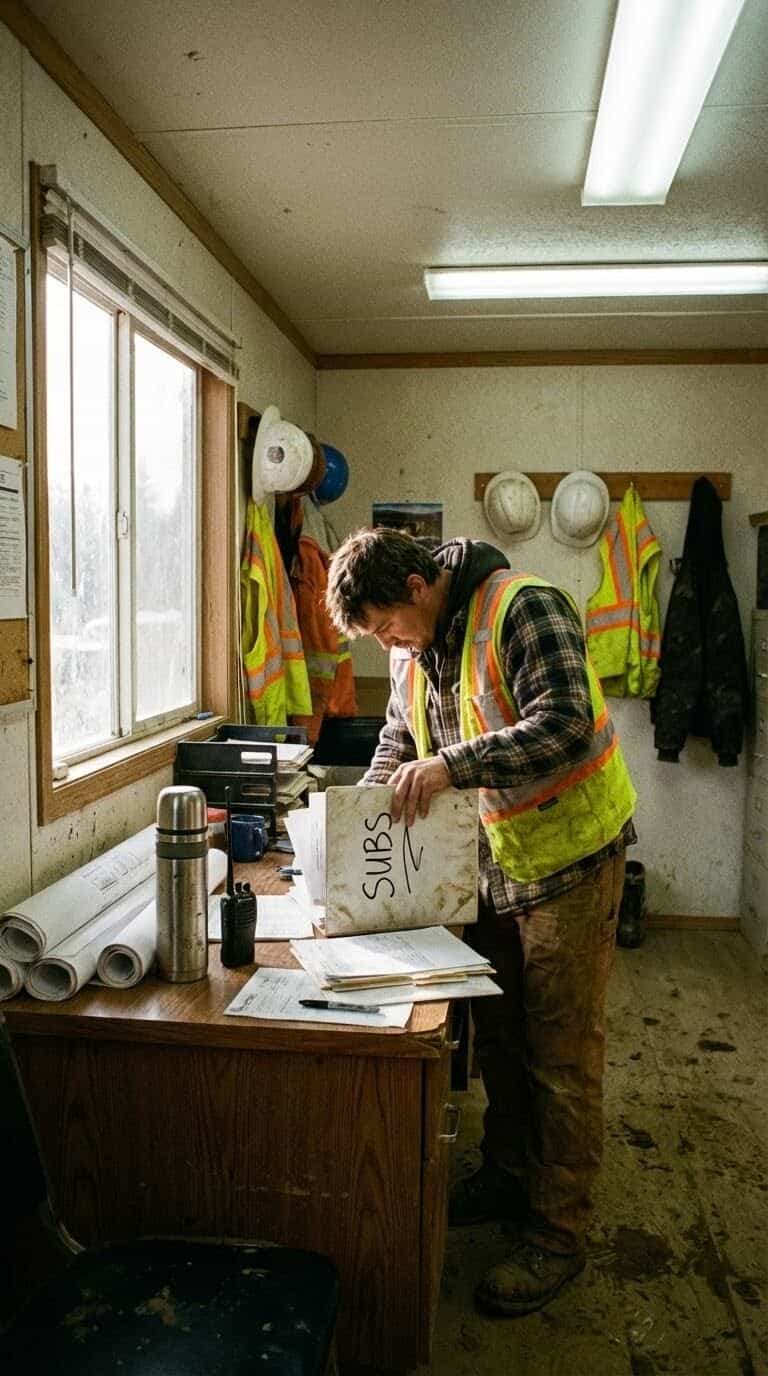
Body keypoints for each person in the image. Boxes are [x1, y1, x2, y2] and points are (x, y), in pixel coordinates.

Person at [325, 527, 636, 1317]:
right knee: (497, 1034)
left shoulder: (522, 608)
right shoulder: (412, 647)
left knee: (562, 1055)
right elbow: (400, 738)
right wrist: (354, 820)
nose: (388, 642)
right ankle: (508, 1169)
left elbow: (564, 721)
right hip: (491, 863)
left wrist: (452, 766)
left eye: (388, 625)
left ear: (420, 586)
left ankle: (558, 1234)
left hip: (570, 858)